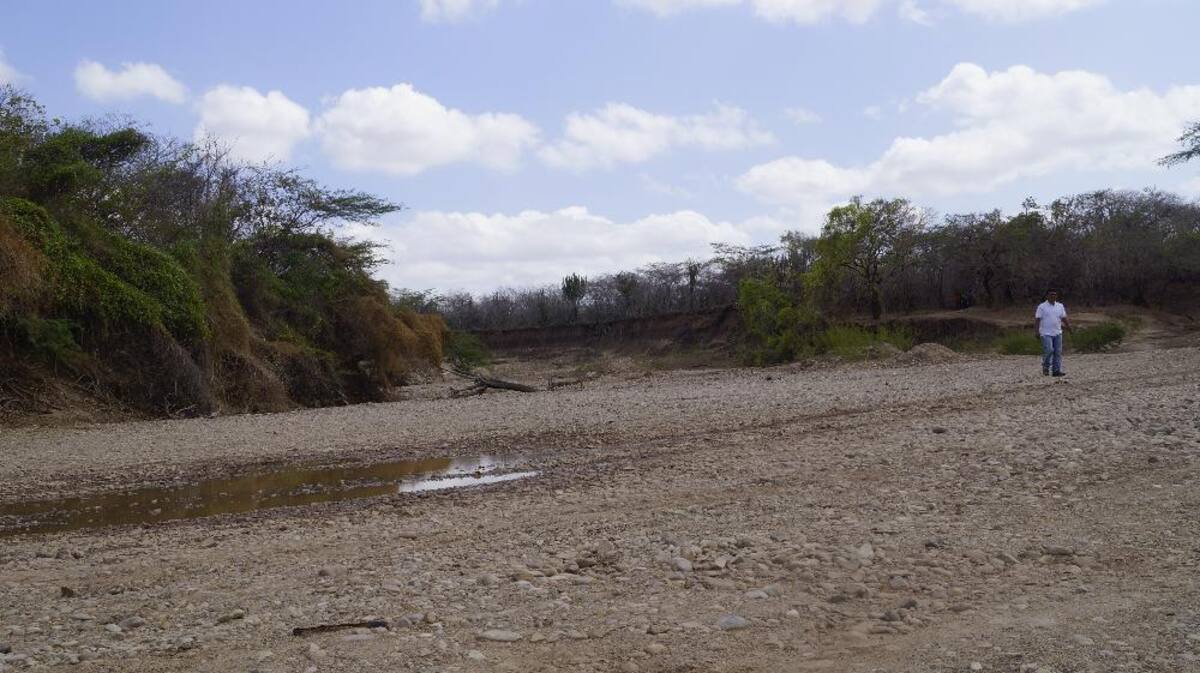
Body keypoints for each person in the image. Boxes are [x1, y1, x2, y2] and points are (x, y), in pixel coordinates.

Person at [1034, 290, 1071, 377]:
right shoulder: (1042, 307)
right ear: (1047, 296)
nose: (1053, 296)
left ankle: (1056, 371)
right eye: (1051, 294)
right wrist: (1036, 331)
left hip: (1057, 332)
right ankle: (1046, 367)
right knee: (1049, 350)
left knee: (1058, 352)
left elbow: (1064, 318)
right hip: (1045, 333)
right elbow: (1037, 320)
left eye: (1055, 294)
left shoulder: (1060, 306)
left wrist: (1069, 328)